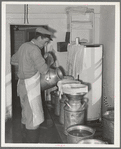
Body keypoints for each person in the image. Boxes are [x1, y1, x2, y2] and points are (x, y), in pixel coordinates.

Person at [11, 27, 53, 143]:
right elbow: (44, 70)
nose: (45, 44)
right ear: (39, 37)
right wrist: (49, 60)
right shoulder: (35, 49)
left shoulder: (24, 46)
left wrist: (27, 63)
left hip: (21, 85)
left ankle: (24, 139)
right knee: (34, 116)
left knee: (26, 113)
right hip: (30, 86)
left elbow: (13, 60)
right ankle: (32, 143)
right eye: (45, 41)